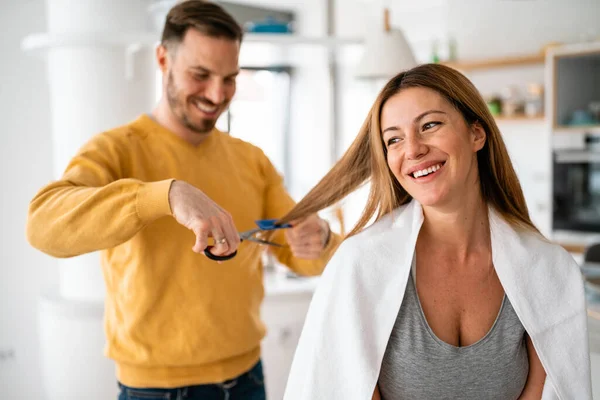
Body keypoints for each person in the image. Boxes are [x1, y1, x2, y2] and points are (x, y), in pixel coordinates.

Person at [26, 1, 341, 399]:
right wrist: (166, 194)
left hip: (248, 377)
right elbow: (42, 226)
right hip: (154, 389)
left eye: (230, 78)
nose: (216, 94)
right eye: (200, 75)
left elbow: (299, 253)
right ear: (162, 58)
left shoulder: (250, 159)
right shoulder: (117, 150)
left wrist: (323, 238)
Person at [278, 63, 592, 399]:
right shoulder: (360, 264)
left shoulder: (546, 269)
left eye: (430, 125)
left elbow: (545, 391)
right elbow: (344, 388)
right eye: (394, 139)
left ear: (476, 133)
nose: (412, 150)